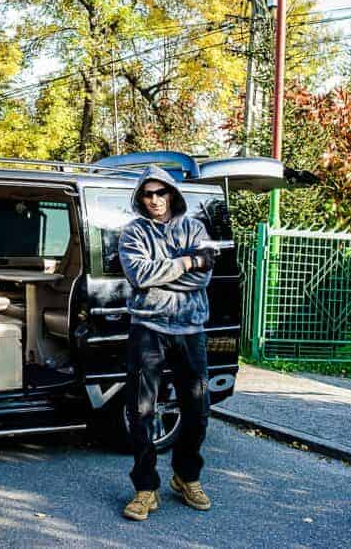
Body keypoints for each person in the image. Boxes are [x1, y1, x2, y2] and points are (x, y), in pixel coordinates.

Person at [118, 165, 217, 521]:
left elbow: (203, 278)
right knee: (140, 411)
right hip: (148, 327)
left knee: (198, 409)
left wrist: (164, 271)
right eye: (148, 194)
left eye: (161, 192)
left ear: (172, 194)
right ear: (140, 198)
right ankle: (145, 488)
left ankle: (186, 477)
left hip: (191, 329)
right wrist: (188, 261)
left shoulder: (196, 229)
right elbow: (139, 274)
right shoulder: (133, 232)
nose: (155, 199)